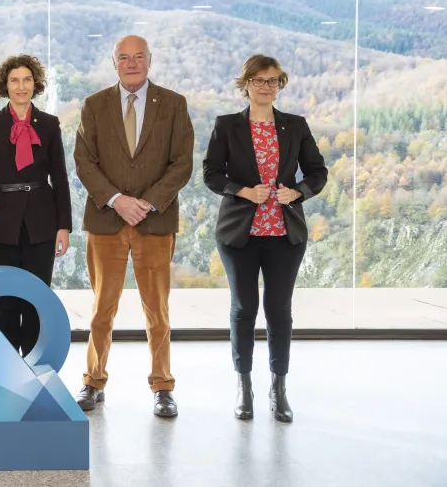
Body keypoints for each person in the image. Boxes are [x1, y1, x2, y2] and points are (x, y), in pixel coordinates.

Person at [73, 35, 193, 418]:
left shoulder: (173, 105)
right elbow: (84, 161)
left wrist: (149, 202)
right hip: (106, 221)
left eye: (138, 57)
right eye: (124, 58)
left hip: (154, 222)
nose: (131, 63)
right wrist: (116, 200)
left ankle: (162, 385)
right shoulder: (94, 106)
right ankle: (93, 380)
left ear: (150, 60)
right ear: (114, 63)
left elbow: (182, 163)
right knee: (101, 310)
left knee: (157, 311)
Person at [203, 55, 327, 423]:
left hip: (284, 233)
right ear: (246, 85)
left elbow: (318, 171)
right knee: (243, 310)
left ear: (280, 84)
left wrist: (298, 192)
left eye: (273, 80)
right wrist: (242, 191)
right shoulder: (227, 125)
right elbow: (211, 173)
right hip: (238, 232)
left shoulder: (295, 125)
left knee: (279, 311)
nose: (266, 86)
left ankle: (280, 388)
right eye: (258, 80)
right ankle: (244, 387)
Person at [0, 54, 72, 358]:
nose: (21, 86)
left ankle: (35, 370)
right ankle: (7, 371)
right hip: (0, 224)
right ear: (5, 85)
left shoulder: (50, 125)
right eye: (14, 80)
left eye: (27, 79)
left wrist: (63, 226)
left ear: (35, 83)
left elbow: (61, 178)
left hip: (42, 223)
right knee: (5, 302)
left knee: (37, 300)